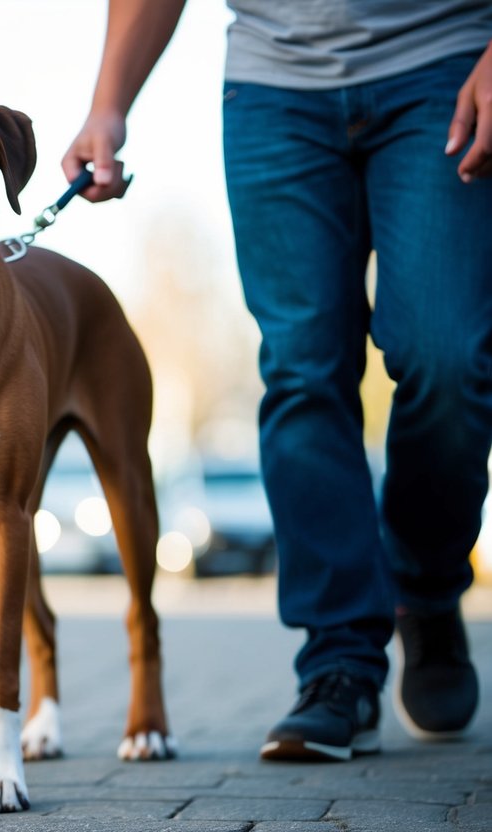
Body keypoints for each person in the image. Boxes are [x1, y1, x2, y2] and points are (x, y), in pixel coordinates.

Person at [64, 0, 492, 761]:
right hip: (274, 89)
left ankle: (424, 588)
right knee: (301, 370)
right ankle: (337, 662)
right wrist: (108, 104)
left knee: (448, 356)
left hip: (446, 61)